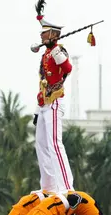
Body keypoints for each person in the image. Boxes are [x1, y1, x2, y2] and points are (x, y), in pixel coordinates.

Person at [33, 12, 74, 193]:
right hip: (43, 104)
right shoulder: (45, 55)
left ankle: (66, 187)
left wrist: (56, 49)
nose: (41, 35)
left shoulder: (59, 51)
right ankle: (48, 187)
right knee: (40, 144)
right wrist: (36, 109)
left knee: (55, 144)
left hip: (55, 102)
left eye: (45, 32)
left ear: (53, 35)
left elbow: (67, 68)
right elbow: (43, 82)